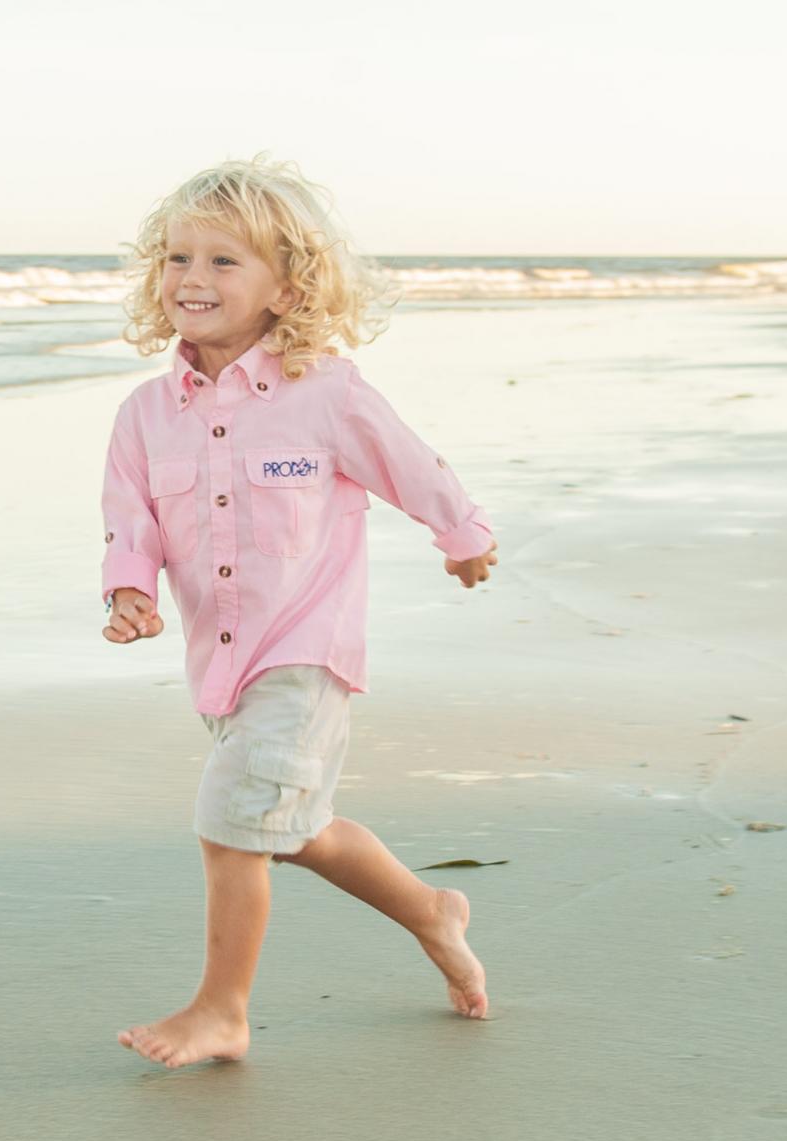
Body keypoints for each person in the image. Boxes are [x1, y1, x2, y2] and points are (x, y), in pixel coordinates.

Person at [100, 153, 498, 1070]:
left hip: (308, 652)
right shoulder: (144, 415)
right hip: (221, 662)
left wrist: (463, 534)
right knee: (296, 830)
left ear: (287, 287)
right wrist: (129, 590)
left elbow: (413, 466)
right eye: (176, 259)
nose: (192, 279)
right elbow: (131, 522)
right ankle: (432, 911)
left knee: (233, 819)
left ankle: (221, 1011)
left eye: (223, 261)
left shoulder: (328, 394)